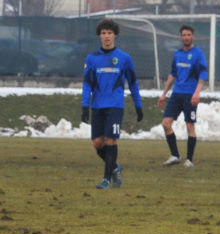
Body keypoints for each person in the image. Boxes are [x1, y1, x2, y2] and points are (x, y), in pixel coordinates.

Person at [81, 18, 143, 189]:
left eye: (109, 33)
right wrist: (84, 106)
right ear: (99, 36)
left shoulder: (124, 58)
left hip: (115, 106)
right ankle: (115, 167)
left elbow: (133, 83)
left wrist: (138, 105)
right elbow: (87, 84)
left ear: (115, 35)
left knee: (111, 141)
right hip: (98, 106)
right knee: (97, 143)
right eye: (103, 33)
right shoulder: (92, 58)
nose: (107, 36)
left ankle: (106, 179)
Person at [157, 25, 207, 168]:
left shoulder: (198, 54)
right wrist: (164, 94)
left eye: (188, 35)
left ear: (193, 36)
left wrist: (197, 92)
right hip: (176, 94)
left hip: (190, 95)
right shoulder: (178, 54)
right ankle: (175, 155)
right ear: (181, 37)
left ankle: (189, 160)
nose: (186, 37)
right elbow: (173, 74)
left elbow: (203, 75)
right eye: (184, 35)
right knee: (166, 124)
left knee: (190, 126)